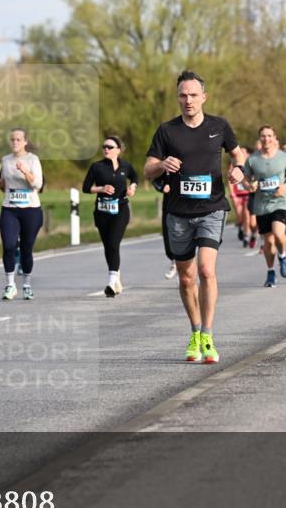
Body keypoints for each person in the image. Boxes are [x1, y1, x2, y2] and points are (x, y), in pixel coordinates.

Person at [143, 70, 246, 364]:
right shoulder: (167, 131)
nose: (188, 100)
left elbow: (239, 155)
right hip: (178, 213)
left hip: (212, 209)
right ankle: (195, 331)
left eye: (193, 95)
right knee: (187, 278)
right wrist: (162, 164)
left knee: (205, 271)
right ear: (178, 98)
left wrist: (239, 170)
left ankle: (209, 335)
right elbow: (147, 169)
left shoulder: (219, 126)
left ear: (204, 97)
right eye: (182, 95)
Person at [0, 128, 44, 300]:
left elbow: (38, 185)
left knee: (26, 249)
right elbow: (6, 184)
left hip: (31, 210)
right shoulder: (5, 160)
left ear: (25, 142)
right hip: (10, 208)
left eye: (18, 139)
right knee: (9, 245)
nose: (14, 142)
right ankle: (10, 285)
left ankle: (26, 285)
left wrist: (24, 171)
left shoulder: (33, 159)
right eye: (12, 139)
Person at [82, 135, 138, 296]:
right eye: (104, 146)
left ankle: (111, 283)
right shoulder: (96, 167)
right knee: (108, 246)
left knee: (113, 244)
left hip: (120, 209)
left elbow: (134, 177)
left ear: (118, 150)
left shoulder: (125, 166)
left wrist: (132, 187)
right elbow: (86, 187)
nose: (106, 149)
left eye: (110, 147)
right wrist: (100, 189)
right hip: (102, 211)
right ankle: (116, 275)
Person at [243, 125, 286, 288]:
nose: (266, 139)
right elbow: (246, 179)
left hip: (280, 202)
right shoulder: (252, 159)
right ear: (260, 139)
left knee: (278, 233)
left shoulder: (284, 157)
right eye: (263, 136)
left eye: (269, 136)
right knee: (268, 243)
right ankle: (271, 271)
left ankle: (283, 256)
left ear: (274, 138)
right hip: (262, 204)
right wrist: (249, 186)